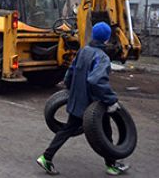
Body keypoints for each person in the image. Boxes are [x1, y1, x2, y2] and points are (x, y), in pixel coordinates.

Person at [36, 22, 130, 176]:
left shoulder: (83, 50)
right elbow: (96, 80)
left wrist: (69, 88)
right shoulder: (102, 57)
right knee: (106, 133)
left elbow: (71, 72)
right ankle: (111, 165)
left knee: (68, 129)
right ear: (106, 39)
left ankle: (46, 157)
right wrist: (111, 100)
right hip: (95, 104)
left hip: (78, 100)